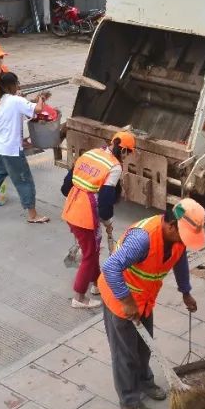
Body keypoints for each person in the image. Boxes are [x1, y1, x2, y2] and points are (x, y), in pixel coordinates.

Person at [98, 200, 205, 409]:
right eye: (184, 236)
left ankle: (145, 382)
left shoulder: (176, 240)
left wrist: (185, 291)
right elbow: (110, 267)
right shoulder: (142, 239)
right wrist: (127, 302)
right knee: (125, 354)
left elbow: (179, 258)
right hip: (120, 301)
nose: (185, 242)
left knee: (145, 347)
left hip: (144, 300)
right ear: (172, 225)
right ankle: (129, 399)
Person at [61, 131, 137, 309]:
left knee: (92, 250)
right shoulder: (114, 166)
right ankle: (79, 297)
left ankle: (97, 284)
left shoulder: (91, 153)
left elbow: (66, 186)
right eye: (129, 153)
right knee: (89, 254)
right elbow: (105, 199)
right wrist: (108, 220)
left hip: (71, 208)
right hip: (85, 215)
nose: (127, 157)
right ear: (124, 150)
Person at [0, 72, 51, 222]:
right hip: (11, 152)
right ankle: (32, 215)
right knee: (25, 181)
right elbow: (38, 110)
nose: (18, 86)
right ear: (11, 85)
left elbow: (19, 114)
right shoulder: (15, 101)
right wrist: (42, 98)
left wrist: (25, 99)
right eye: (17, 83)